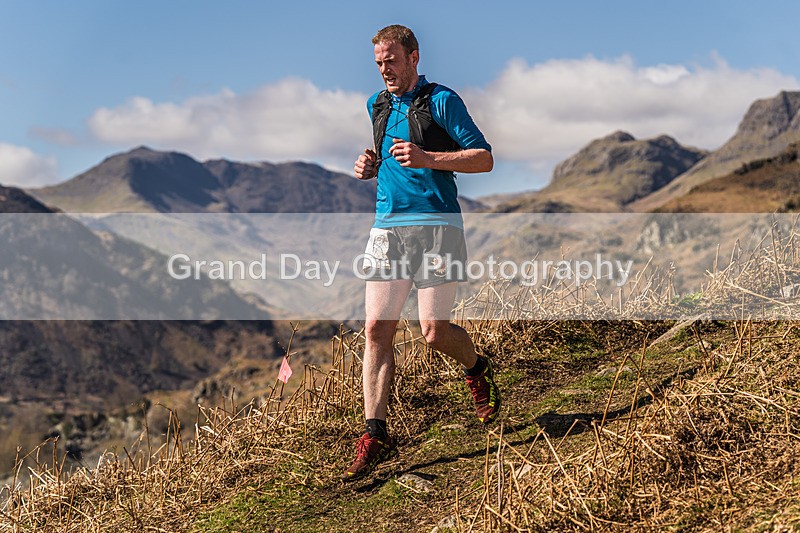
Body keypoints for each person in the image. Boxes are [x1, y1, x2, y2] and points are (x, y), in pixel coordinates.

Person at [342, 24, 500, 482]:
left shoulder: (443, 100)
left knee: (432, 333)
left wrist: (429, 158)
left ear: (413, 56)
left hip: (438, 226)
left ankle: (477, 368)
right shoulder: (377, 105)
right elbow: (386, 159)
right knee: (376, 329)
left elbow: (484, 157)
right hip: (387, 226)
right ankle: (376, 433)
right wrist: (366, 167)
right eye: (378, 63)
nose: (384, 70)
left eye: (391, 60)